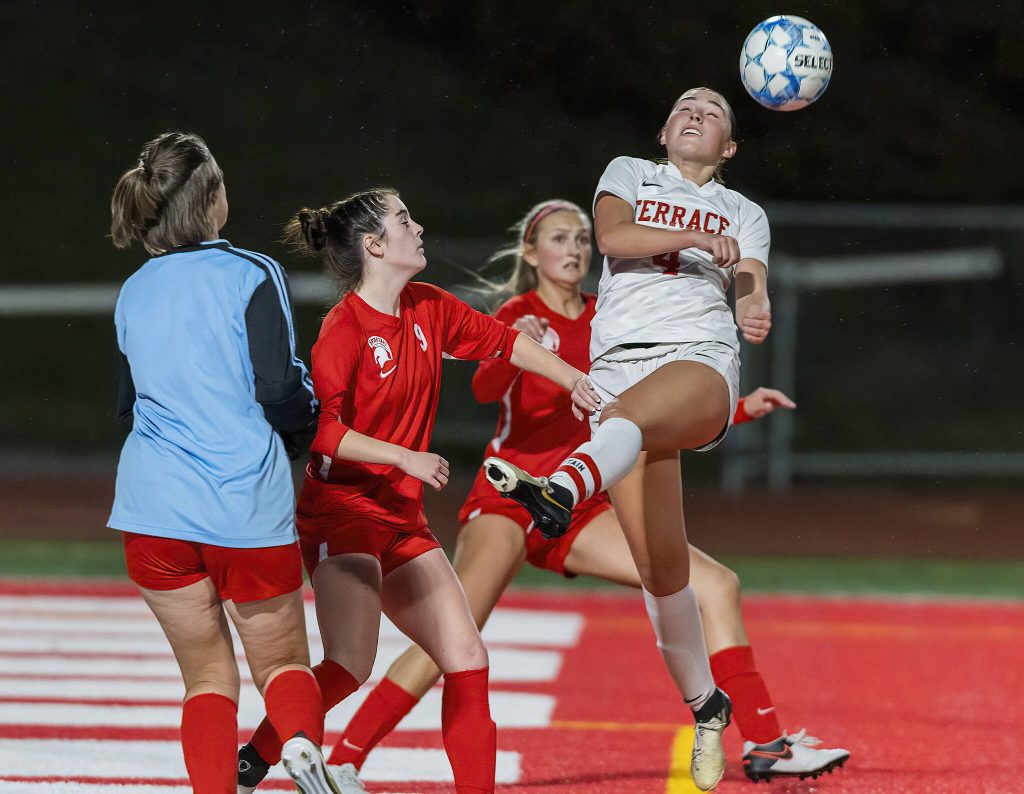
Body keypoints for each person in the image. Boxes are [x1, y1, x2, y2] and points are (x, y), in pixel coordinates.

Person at [330, 199, 849, 785]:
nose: (575, 248)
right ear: (532, 254)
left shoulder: (612, 320)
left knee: (716, 584)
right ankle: (344, 758)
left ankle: (766, 741)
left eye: (581, 237)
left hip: (579, 503)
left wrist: (739, 411)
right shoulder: (520, 311)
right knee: (453, 638)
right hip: (510, 495)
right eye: (559, 238)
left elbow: (652, 402)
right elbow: (483, 388)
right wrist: (517, 345)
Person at [235, 188, 600, 794]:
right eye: (405, 220)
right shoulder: (344, 329)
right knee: (350, 667)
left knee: (468, 659)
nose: (419, 226)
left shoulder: (428, 305)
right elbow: (322, 432)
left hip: (402, 518)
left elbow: (504, 342)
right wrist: (403, 456)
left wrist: (572, 378)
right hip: (342, 513)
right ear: (375, 245)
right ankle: (255, 760)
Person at [484, 87, 778, 792]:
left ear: (729, 148)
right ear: (663, 129)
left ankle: (563, 486)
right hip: (618, 374)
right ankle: (708, 707)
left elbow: (749, 281)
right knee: (662, 573)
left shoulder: (746, 212)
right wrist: (693, 237)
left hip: (699, 363)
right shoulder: (629, 174)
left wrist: (754, 301)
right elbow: (613, 237)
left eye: (713, 110)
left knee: (629, 424)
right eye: (685, 104)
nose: (696, 110)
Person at [108, 131, 340, 793]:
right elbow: (278, 389)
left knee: (207, 678)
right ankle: (298, 747)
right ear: (213, 201)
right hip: (244, 504)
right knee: (285, 667)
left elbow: (125, 401)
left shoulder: (134, 289)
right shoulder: (252, 272)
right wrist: (305, 427)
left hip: (154, 510)